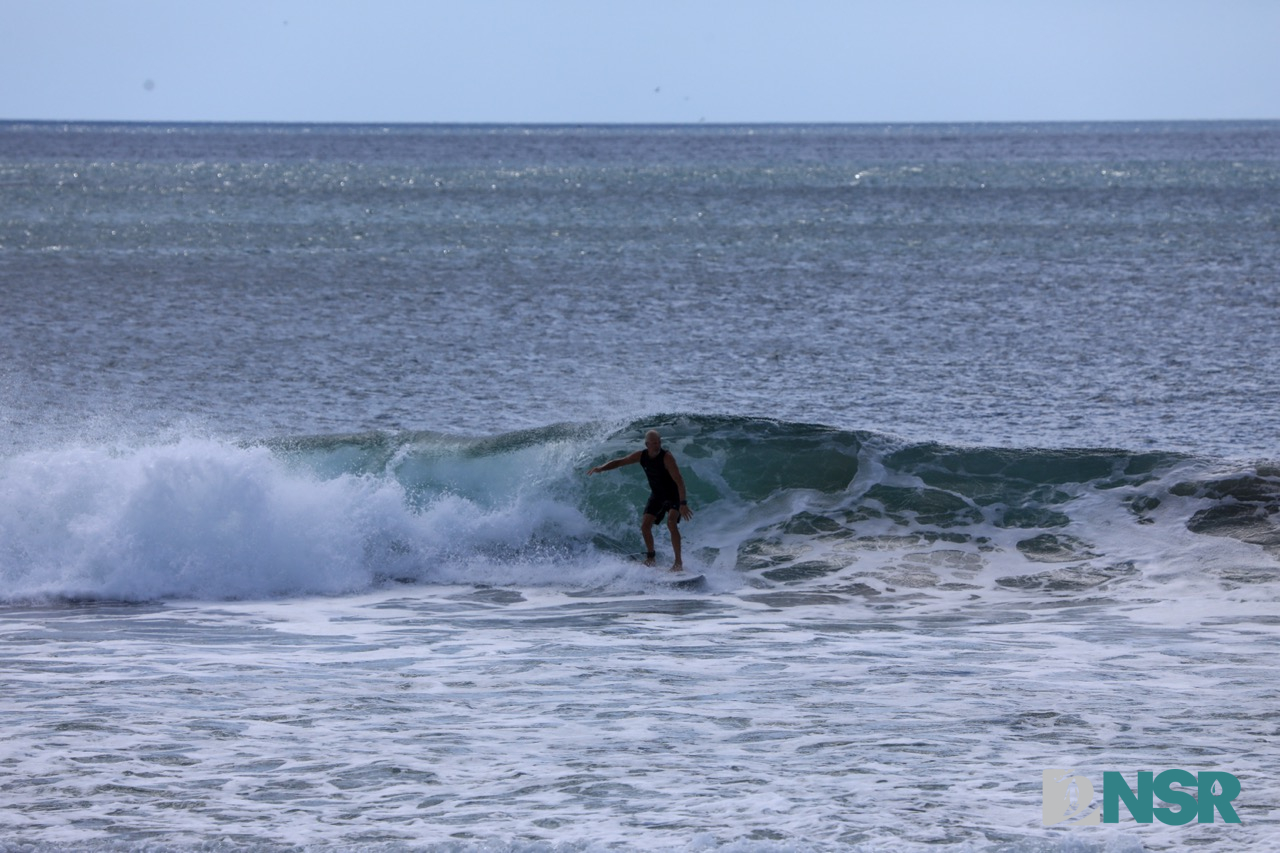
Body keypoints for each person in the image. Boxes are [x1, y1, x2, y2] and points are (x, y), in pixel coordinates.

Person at [587, 429, 694, 570]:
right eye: (654, 443)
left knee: (671, 523)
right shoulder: (641, 456)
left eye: (659, 442)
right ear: (647, 444)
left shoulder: (667, 457)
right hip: (657, 495)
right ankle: (651, 558)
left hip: (672, 494)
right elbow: (620, 462)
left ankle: (678, 563)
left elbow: (679, 481)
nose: (657, 445)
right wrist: (601, 468)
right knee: (645, 526)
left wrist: (683, 503)